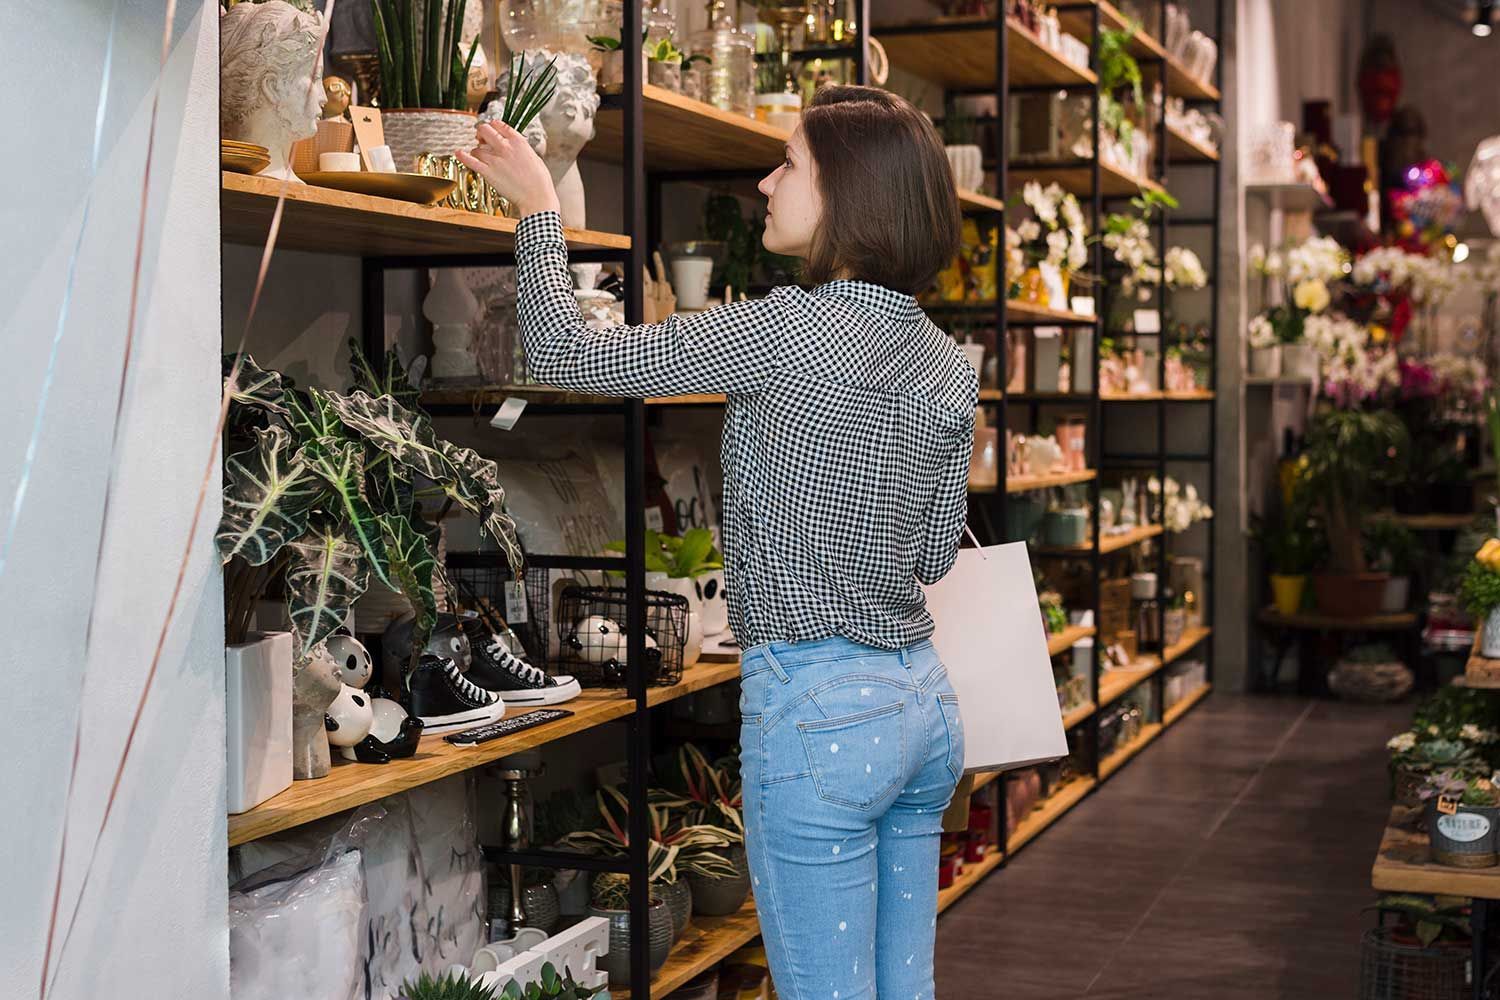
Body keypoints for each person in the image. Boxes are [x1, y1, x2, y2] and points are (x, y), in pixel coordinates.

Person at [459, 84, 975, 1000]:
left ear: (849, 193)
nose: (768, 183)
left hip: (821, 712)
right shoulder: (944, 357)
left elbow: (566, 357)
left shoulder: (784, 329)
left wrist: (540, 208)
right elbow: (934, 556)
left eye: (791, 164)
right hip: (922, 708)